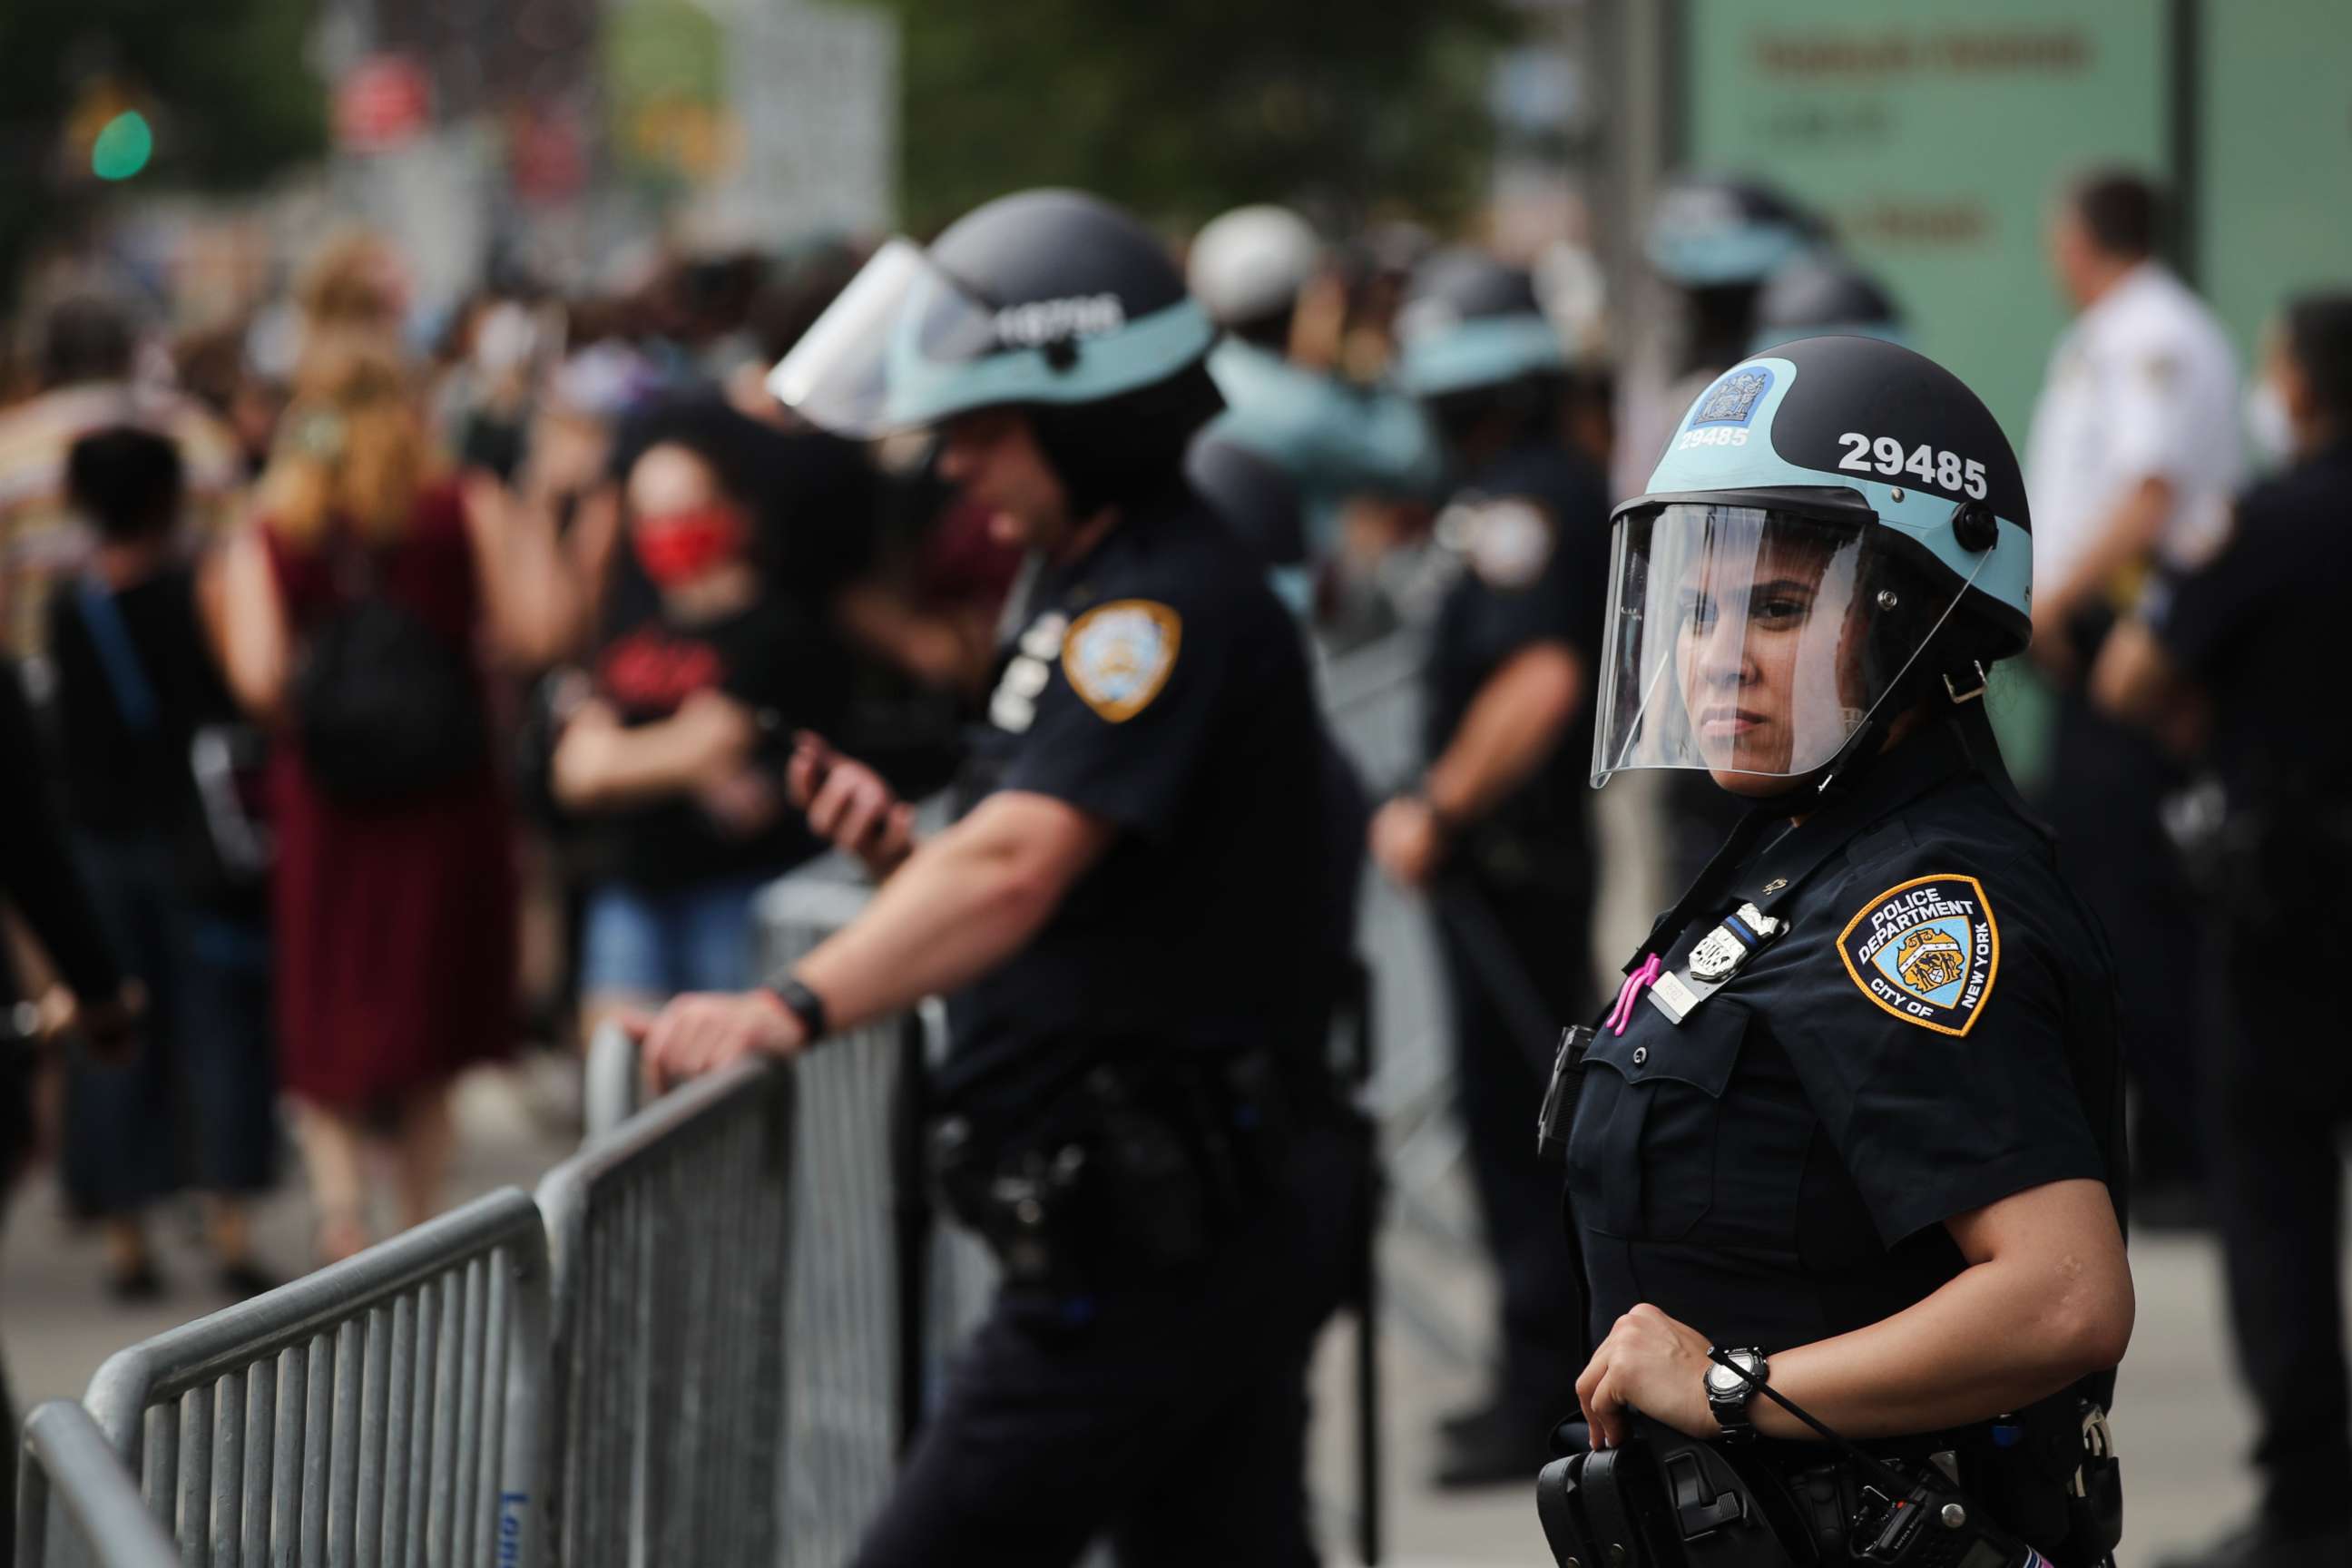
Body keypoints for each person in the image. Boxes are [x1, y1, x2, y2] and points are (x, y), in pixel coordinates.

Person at [633, 188, 1361, 1566]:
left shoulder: (1154, 607)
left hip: (1155, 1244)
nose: (950, 461)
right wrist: (909, 860)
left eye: (982, 424)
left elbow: (1024, 865)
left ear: (1088, 410)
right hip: (1178, 1215)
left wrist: (786, 1006)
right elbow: (1081, 865)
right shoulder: (1083, 588)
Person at [1544, 335, 2132, 1566]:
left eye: (1776, 606)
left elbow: (2064, 1295)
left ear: (1916, 612)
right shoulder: (1797, 840)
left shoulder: (1919, 897)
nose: (1715, 658)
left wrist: (1727, 1388)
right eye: (1698, 608)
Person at [214, 332, 574, 1261]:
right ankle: (413, 1224)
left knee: (329, 999)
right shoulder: (463, 501)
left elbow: (258, 679)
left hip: (327, 799)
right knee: (429, 1004)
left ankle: (340, 1212)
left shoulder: (280, 521)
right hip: (446, 793)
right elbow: (536, 629)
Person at [2094, 292, 2352, 1567]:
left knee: (2280, 1210)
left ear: (2298, 390)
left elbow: (2130, 676)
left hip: (2291, 920)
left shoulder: (2265, 523)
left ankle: (2313, 1502)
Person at [1366, 248, 1611, 1487]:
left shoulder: (1531, 500)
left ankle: (1547, 1400)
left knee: (1529, 1134)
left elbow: (1541, 678)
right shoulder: (1514, 489)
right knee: (1514, 1127)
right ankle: (1538, 1382)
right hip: (1501, 869)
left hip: (1510, 866)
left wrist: (1436, 805)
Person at [2023, 168, 2240, 1222]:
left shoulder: (2153, 334)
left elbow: (2147, 497)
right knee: (2109, 897)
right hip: (2099, 642)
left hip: (2131, 647)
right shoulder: (2118, 333)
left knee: (2136, 906)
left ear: (2085, 236)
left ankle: (2189, 1154)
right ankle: (2164, 1147)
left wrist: (2051, 605)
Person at [45, 426, 276, 1299]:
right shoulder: (202, 589)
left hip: (100, 845)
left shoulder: (72, 607)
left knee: (116, 1029)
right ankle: (227, 1223)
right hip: (198, 839)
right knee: (221, 1022)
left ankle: (126, 1236)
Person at [553, 422, 854, 1036]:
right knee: (620, 1078)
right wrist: (680, 758)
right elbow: (578, 773)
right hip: (632, 889)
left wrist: (624, 758)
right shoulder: (629, 626)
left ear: (733, 511)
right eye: (652, 515)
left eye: (686, 509)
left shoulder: (776, 630)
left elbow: (714, 745)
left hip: (734, 894)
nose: (669, 532)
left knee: (725, 1080)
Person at [1189, 203, 1440, 613]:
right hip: (1302, 623)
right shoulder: (1299, 407)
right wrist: (1376, 343)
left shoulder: (1215, 376)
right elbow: (1415, 461)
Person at [0, 294, 242, 664]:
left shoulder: (11, 450)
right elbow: (234, 576)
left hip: (41, 683)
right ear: (130, 351)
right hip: (183, 677)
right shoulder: (202, 438)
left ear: (44, 359)